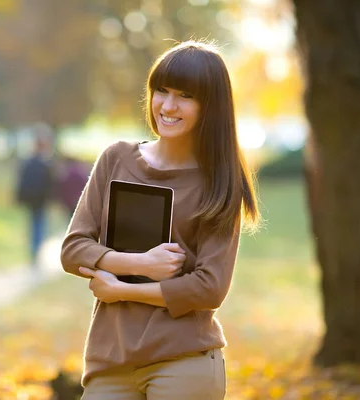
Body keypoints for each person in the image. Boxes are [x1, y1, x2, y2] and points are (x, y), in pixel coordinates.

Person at [60, 40, 260, 399]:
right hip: (111, 361)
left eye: (185, 95)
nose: (168, 106)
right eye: (161, 91)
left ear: (210, 106)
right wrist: (140, 263)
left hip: (183, 362)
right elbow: (74, 249)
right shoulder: (116, 159)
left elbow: (209, 288)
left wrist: (122, 289)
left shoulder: (219, 182)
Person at [15, 133, 54, 268]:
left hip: (32, 199)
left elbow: (21, 181)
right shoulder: (45, 163)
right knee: (38, 225)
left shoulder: (29, 162)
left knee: (34, 224)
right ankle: (36, 251)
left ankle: (34, 251)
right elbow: (50, 184)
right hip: (39, 200)